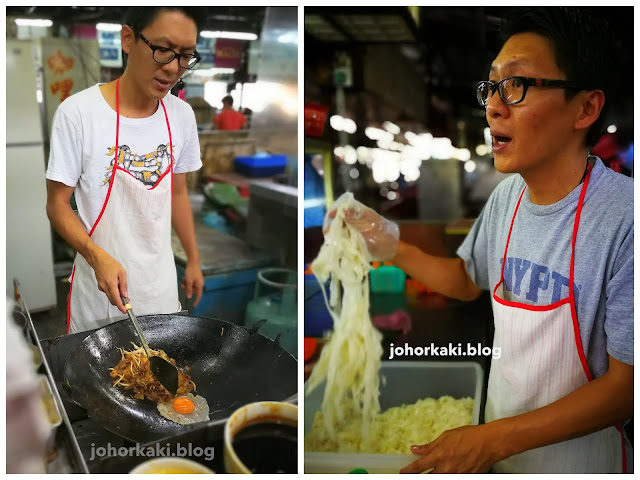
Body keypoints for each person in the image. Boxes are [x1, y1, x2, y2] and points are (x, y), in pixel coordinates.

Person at [326, 7, 633, 474]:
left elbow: (626, 388)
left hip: (580, 460)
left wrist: (491, 441)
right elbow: (467, 280)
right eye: (491, 86)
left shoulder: (624, 219)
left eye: (518, 84)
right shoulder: (507, 197)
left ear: (586, 107)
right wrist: (390, 245)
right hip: (495, 445)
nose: (492, 105)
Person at [46, 7, 205, 334]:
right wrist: (96, 256)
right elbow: (57, 204)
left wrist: (193, 259)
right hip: (99, 296)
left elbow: (177, 193)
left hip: (159, 289)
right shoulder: (78, 114)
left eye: (186, 55)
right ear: (128, 39)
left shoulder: (182, 116)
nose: (174, 68)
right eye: (163, 50)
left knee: (159, 382)